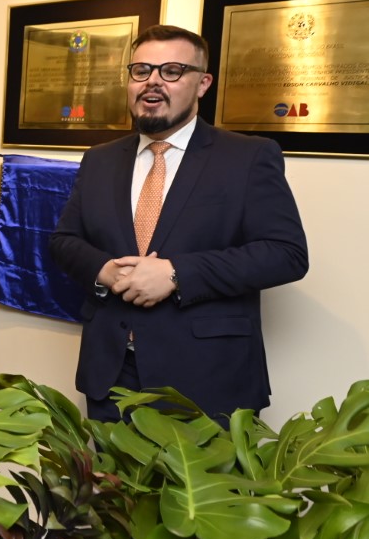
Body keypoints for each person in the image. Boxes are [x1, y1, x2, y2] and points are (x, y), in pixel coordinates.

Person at [50, 23, 308, 422]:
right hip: (111, 377)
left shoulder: (248, 157)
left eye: (171, 71)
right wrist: (103, 270)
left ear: (203, 84)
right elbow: (65, 240)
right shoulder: (99, 159)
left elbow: (286, 254)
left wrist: (176, 274)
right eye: (141, 70)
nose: (152, 82)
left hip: (207, 382)